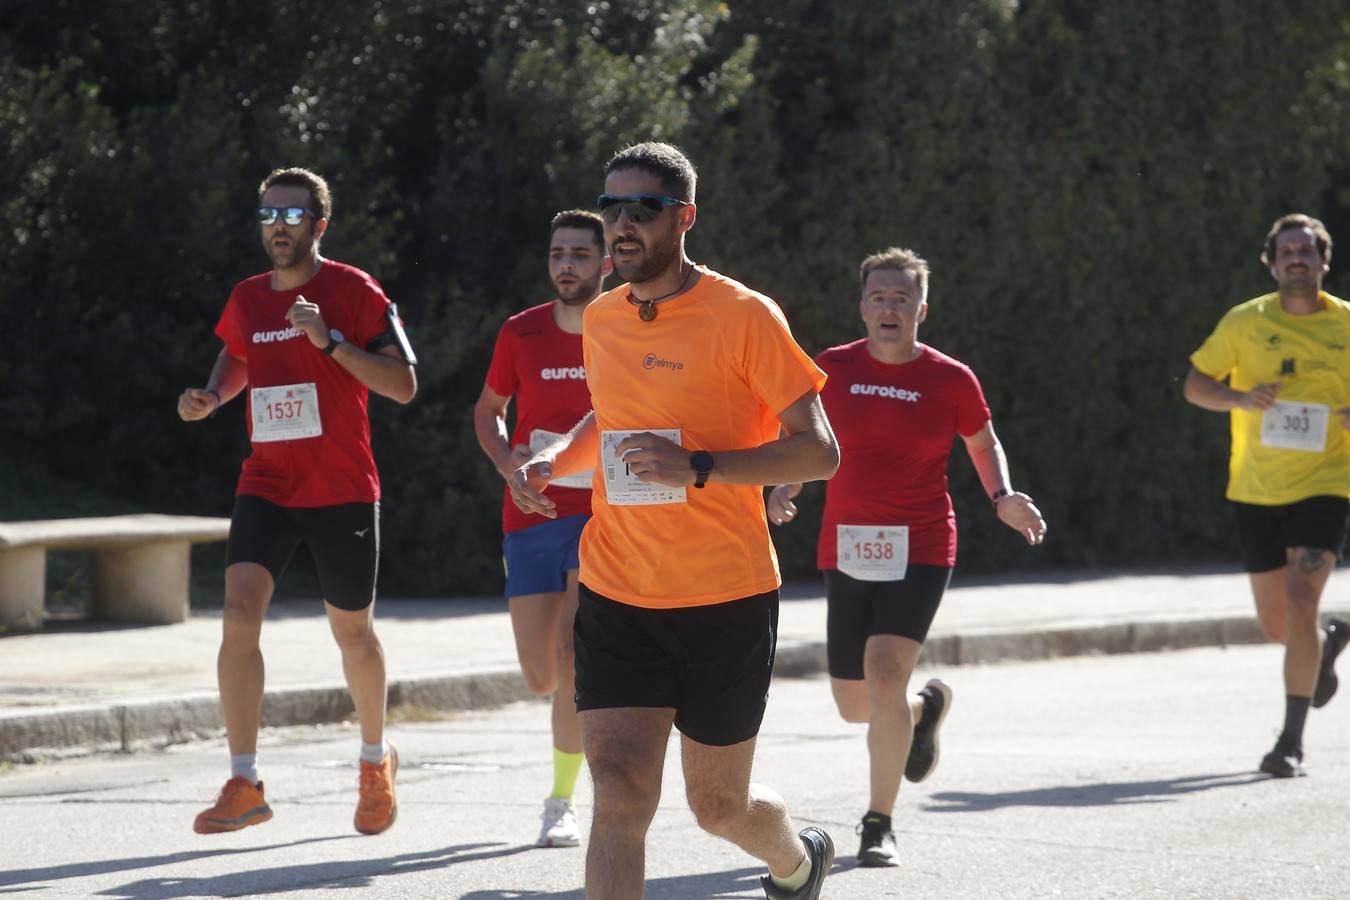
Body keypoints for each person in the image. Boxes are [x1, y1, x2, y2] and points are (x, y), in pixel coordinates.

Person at [507, 142, 839, 900]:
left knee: (719, 806)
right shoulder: (602, 318)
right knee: (619, 796)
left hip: (725, 594)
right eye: (611, 209)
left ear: (683, 217)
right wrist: (557, 455)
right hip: (619, 589)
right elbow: (615, 417)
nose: (621, 226)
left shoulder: (745, 316)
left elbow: (819, 451)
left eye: (642, 210)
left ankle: (797, 859)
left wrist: (699, 466)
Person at [768, 247, 1046, 867]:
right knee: (856, 704)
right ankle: (924, 712)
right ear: (862, 306)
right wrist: (783, 488)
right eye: (878, 296)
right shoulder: (830, 368)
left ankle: (878, 823)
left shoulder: (951, 378)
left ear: (922, 309)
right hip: (847, 544)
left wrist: (1001, 496)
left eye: (901, 298)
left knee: (886, 672)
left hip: (920, 542)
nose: (889, 307)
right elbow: (802, 440)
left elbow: (982, 440)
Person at [177, 167, 417, 834]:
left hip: (340, 488)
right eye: (267, 215)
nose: (277, 226)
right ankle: (244, 780)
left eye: (291, 214)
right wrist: (212, 395)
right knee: (237, 614)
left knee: (352, 633)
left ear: (319, 225)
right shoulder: (248, 298)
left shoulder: (352, 290)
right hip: (268, 483)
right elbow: (238, 356)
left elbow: (403, 385)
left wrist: (330, 342)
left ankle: (375, 759)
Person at [1184, 213, 1350, 778]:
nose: (1297, 259)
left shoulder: (1347, 324)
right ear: (1272, 262)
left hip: (1327, 482)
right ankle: (1323, 647)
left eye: (1307, 250)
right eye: (1287, 252)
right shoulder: (1244, 322)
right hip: (1255, 487)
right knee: (1279, 627)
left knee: (1302, 600)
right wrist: (1239, 399)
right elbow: (1195, 384)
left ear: (1325, 260)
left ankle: (1290, 742)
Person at [472, 209, 611, 848]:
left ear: (605, 263)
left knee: (572, 655)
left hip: (601, 514)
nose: (566, 265)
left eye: (580, 254)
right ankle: (580, 720)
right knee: (540, 674)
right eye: (558, 253)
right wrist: (509, 468)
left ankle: (561, 801)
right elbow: (489, 410)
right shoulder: (521, 333)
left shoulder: (625, 332)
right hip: (530, 513)